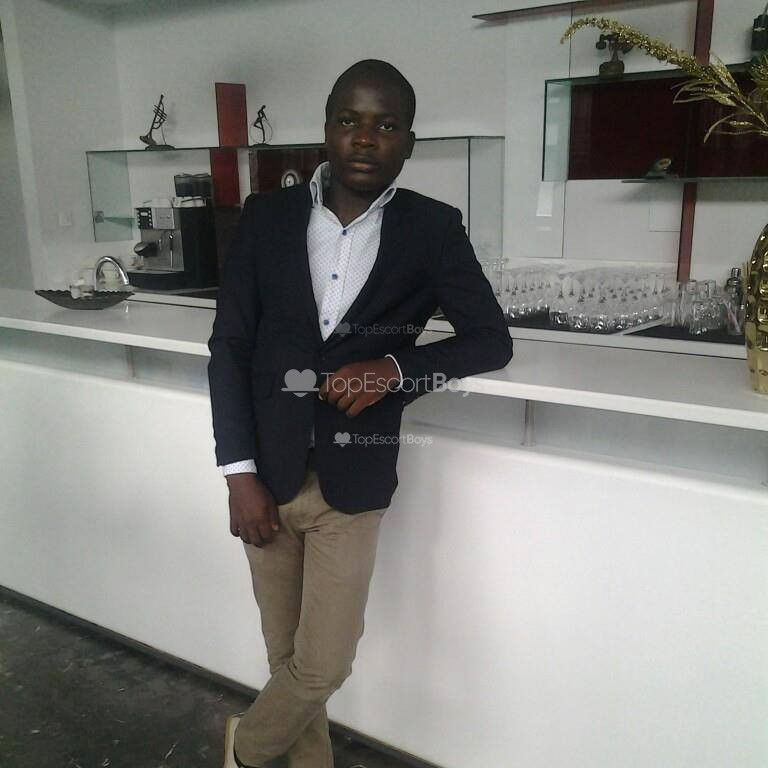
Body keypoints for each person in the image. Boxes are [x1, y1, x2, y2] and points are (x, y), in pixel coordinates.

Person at [207, 58, 513, 768]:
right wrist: (238, 474)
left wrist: (395, 369)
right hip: (265, 473)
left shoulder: (433, 228)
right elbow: (230, 348)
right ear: (327, 130)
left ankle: (243, 751)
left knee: (322, 664)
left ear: (409, 141)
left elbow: (489, 339)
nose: (366, 138)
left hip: (354, 478)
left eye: (387, 125)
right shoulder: (266, 217)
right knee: (285, 657)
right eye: (350, 120)